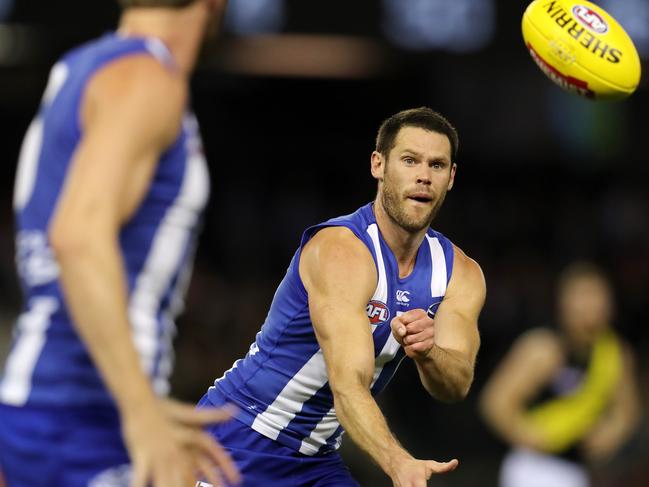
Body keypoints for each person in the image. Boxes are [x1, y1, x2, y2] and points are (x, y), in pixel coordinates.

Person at [0, 1, 240, 486]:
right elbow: (78, 237)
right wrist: (140, 410)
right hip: (85, 419)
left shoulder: (84, 67)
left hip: (45, 407)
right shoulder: (148, 79)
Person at [197, 107, 486, 486]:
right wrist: (398, 462)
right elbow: (347, 385)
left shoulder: (460, 274)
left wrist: (429, 352)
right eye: (410, 160)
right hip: (239, 439)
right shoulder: (341, 251)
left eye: (436, 165)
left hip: (315, 460)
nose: (423, 176)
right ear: (378, 165)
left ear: (450, 178)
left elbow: (456, 385)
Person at [480, 262, 641, 487]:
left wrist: (611, 432)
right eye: (581, 296)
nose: (589, 306)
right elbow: (495, 402)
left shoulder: (616, 355)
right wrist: (527, 433)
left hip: (581, 471)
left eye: (596, 296)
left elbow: (628, 410)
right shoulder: (543, 348)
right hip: (536, 468)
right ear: (563, 303)